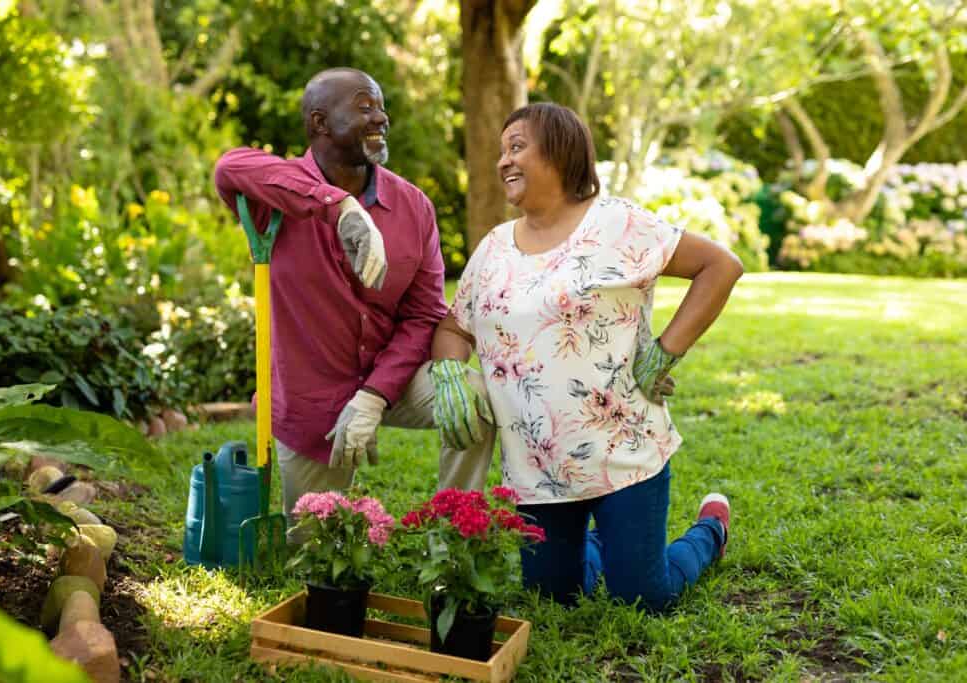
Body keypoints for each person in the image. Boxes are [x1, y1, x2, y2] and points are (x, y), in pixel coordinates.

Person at [430, 102, 743, 610]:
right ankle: (606, 545)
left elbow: (720, 266)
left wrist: (665, 352)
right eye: (501, 151)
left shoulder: (616, 223)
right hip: (536, 471)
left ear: (560, 151)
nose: (504, 161)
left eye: (517, 147)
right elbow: (452, 327)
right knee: (554, 597)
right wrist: (448, 370)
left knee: (644, 598)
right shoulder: (492, 249)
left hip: (623, 454)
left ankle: (709, 531)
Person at [213, 68, 495, 529]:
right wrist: (337, 205)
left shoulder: (413, 206)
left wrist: (374, 395)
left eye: (381, 106)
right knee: (315, 550)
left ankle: (453, 539)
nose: (381, 117)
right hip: (311, 400)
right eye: (365, 106)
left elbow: (423, 314)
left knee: (475, 398)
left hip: (392, 379)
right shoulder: (276, 195)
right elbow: (230, 168)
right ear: (319, 123)